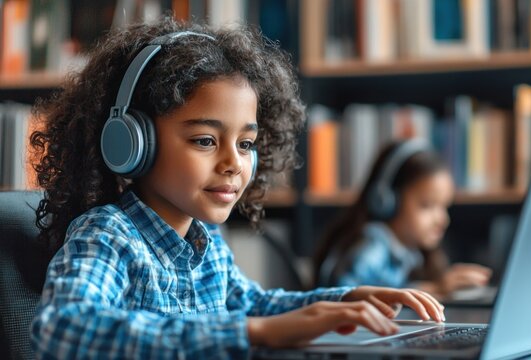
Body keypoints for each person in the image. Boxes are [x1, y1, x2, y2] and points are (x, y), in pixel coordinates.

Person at [28, 19, 445, 359]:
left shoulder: (206, 241)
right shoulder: (107, 235)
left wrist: (346, 299)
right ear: (131, 143)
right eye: (205, 140)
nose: (233, 164)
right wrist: (256, 332)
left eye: (245, 144)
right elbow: (63, 330)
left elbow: (253, 307)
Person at [314, 140, 492, 300]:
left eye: (444, 207)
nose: (442, 219)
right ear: (387, 200)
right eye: (427, 205)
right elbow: (342, 297)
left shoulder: (410, 251)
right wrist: (435, 288)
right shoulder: (373, 247)